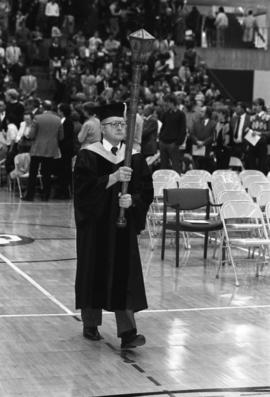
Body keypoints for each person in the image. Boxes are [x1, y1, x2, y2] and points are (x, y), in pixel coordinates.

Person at [73, 102, 153, 349]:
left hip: (122, 227)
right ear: (102, 128)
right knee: (92, 271)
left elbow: (146, 190)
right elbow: (82, 192)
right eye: (114, 124)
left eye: (123, 124)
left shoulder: (134, 157)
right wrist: (112, 178)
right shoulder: (88, 154)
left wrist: (133, 201)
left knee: (124, 275)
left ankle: (128, 332)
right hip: (96, 226)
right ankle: (90, 323)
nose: (120, 128)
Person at [22, 100, 63, 201]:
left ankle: (29, 196)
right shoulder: (58, 119)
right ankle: (46, 196)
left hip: (37, 148)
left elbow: (31, 135)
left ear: (42, 108)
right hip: (51, 150)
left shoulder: (37, 118)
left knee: (33, 173)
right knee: (47, 174)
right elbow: (61, 137)